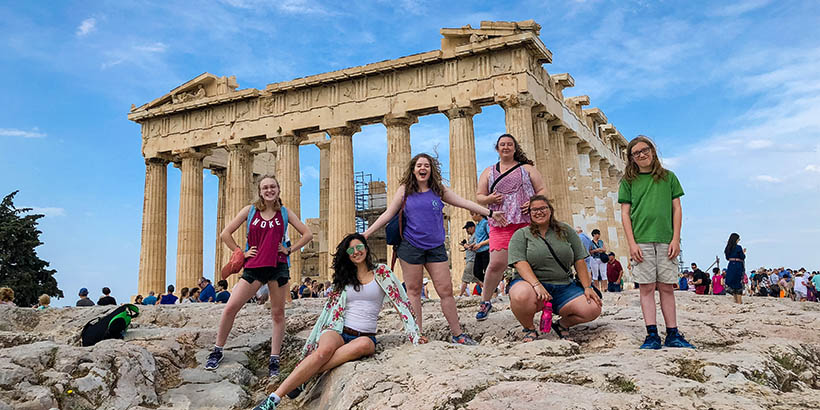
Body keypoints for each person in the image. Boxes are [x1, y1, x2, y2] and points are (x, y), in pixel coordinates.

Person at [252, 233, 421, 410]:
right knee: (322, 352)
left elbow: (400, 302)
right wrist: (316, 334)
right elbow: (329, 309)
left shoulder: (383, 272)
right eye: (351, 249)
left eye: (359, 247)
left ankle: (307, 375)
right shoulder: (344, 277)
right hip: (338, 329)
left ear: (366, 248)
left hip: (365, 336)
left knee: (364, 345)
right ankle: (273, 399)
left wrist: (415, 333)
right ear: (347, 254)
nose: (356, 252)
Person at [363, 153, 505, 344]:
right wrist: (366, 234)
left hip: (435, 247)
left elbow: (464, 203)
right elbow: (389, 214)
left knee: (445, 290)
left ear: (431, 170)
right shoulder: (405, 190)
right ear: (413, 169)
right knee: (413, 291)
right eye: (419, 165)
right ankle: (416, 334)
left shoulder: (439, 190)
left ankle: (457, 334)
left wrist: (490, 213)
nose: (423, 168)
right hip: (410, 246)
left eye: (427, 166)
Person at [205, 173, 313, 378]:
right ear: (260, 191)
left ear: (278, 190)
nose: (269, 190)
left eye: (273, 187)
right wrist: (241, 252)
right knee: (230, 308)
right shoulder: (250, 210)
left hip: (277, 267)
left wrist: (289, 250)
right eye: (265, 188)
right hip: (254, 267)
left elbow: (307, 234)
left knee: (278, 314)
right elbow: (225, 234)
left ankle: (274, 359)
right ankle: (217, 350)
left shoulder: (285, 213)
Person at [619, 135, 694, 349]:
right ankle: (652, 334)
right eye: (636, 153)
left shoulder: (669, 177)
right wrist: (631, 244)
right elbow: (625, 214)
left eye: (645, 150)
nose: (642, 154)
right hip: (641, 239)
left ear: (653, 151)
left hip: (665, 239)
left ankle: (673, 333)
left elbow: (677, 208)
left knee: (667, 288)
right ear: (631, 158)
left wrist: (676, 238)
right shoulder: (628, 181)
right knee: (646, 287)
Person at [507, 195, 602, 342]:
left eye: (543, 208)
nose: (539, 212)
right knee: (520, 295)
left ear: (550, 210)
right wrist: (537, 285)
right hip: (532, 286)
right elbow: (519, 262)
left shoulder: (566, 231)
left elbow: (579, 259)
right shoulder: (521, 234)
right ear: (529, 213)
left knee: (592, 308)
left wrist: (587, 287)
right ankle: (529, 328)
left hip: (563, 285)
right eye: (534, 210)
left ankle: (561, 325)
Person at [474, 134, 547, 321]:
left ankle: (540, 297)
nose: (506, 147)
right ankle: (485, 300)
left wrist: (533, 202)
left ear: (515, 148)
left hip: (526, 222)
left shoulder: (527, 169)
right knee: (496, 264)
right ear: (497, 149)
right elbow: (479, 196)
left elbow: (542, 190)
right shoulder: (489, 172)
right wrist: (489, 199)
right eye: (502, 145)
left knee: (534, 261)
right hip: (501, 222)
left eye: (509, 144)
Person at [458, 221, 480, 297]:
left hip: (472, 260)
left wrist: (467, 246)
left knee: (465, 278)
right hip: (471, 259)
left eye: (467, 228)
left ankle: (460, 295)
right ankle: (492, 290)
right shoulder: (472, 236)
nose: (466, 230)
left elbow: (476, 245)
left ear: (472, 227)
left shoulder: (477, 235)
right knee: (477, 279)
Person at [723, 233, 745, 304]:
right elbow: (742, 257)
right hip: (738, 265)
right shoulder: (738, 247)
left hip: (731, 265)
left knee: (733, 283)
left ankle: (735, 301)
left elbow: (727, 258)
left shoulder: (728, 248)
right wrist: (743, 253)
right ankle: (739, 301)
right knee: (738, 283)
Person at [470, 211, 491, 284]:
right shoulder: (478, 225)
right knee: (476, 272)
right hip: (479, 251)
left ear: (479, 214)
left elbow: (492, 237)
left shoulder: (486, 223)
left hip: (486, 251)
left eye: (472, 214)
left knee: (487, 271)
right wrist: (473, 244)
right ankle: (489, 285)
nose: (472, 217)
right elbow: (479, 239)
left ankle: (492, 289)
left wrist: (481, 244)